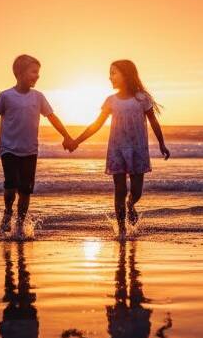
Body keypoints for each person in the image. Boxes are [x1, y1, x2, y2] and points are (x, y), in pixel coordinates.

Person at [68, 60, 169, 236]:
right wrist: (77, 141)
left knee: (136, 191)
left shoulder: (141, 98)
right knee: (119, 190)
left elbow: (153, 121)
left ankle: (131, 204)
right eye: (110, 73)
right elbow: (97, 124)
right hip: (117, 150)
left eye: (114, 73)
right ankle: (122, 231)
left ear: (126, 74)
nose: (110, 77)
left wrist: (162, 143)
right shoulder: (111, 101)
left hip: (137, 150)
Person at [0, 54, 73, 233]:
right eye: (33, 72)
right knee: (10, 186)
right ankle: (8, 210)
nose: (37, 75)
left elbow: (52, 117)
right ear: (20, 73)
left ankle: (20, 226)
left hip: (30, 150)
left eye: (38, 72)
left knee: (26, 190)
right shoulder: (6, 96)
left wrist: (66, 136)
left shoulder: (38, 97)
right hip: (8, 148)